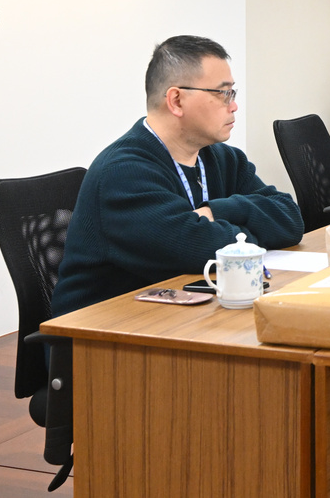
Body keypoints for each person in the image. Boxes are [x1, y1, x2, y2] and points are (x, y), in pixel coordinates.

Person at [52, 36, 303, 317]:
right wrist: (253, 232)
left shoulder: (223, 158)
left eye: (233, 93)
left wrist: (217, 211)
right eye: (223, 93)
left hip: (180, 315)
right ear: (176, 100)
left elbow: (290, 219)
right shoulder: (123, 172)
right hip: (101, 331)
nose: (233, 106)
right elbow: (202, 248)